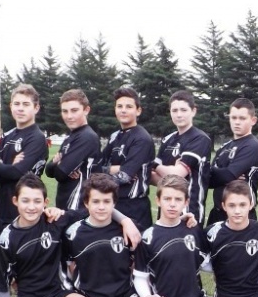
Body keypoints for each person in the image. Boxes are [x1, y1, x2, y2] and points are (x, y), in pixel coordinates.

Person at [95, 87, 156, 230]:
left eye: (129, 107)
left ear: (138, 110)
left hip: (134, 206)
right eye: (119, 106)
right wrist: (112, 169)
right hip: (112, 203)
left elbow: (124, 176)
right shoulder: (115, 136)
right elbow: (98, 166)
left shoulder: (142, 138)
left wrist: (112, 170)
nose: (123, 110)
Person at [0, 83, 49, 223]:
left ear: (36, 108)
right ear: (11, 106)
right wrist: (10, 167)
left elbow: (17, 173)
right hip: (3, 211)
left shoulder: (37, 138)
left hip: (27, 213)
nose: (20, 108)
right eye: (16, 104)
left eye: (26, 104)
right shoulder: (7, 136)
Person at [151, 90, 213, 223]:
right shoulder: (168, 140)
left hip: (189, 212)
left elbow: (177, 174)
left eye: (183, 110)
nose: (179, 115)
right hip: (165, 211)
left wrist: (155, 165)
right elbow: (153, 177)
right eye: (175, 110)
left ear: (193, 111)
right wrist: (167, 172)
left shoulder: (200, 139)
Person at [207, 98, 258, 226]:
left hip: (241, 215)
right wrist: (223, 174)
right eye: (233, 118)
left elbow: (228, 175)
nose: (237, 122)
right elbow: (208, 179)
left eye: (242, 118)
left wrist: (222, 173)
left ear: (253, 120)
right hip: (217, 212)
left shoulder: (252, 146)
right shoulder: (224, 147)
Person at [44, 89, 101, 212]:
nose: (69, 116)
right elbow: (48, 171)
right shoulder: (70, 137)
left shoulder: (87, 137)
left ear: (86, 110)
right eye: (65, 111)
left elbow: (60, 174)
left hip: (78, 206)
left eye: (74, 110)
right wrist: (56, 164)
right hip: (65, 204)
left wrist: (58, 165)